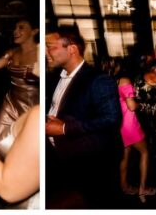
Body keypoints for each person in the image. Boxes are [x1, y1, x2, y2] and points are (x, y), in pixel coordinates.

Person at [45, 25, 122, 209]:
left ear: (72, 49)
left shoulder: (98, 79)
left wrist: (64, 128)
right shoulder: (57, 77)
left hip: (93, 163)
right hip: (64, 158)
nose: (46, 52)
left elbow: (112, 119)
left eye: (50, 46)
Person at [0, 19, 40, 158]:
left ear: (34, 31)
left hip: (32, 104)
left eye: (21, 28)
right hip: (10, 101)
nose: (16, 31)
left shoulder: (42, 52)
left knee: (27, 143)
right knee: (0, 138)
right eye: (15, 28)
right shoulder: (12, 51)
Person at [117, 71, 154, 201]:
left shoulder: (108, 81)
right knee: (144, 152)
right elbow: (131, 106)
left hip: (118, 126)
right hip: (129, 125)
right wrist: (141, 105)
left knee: (125, 154)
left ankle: (124, 186)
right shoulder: (124, 80)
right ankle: (142, 190)